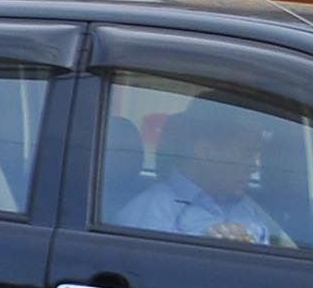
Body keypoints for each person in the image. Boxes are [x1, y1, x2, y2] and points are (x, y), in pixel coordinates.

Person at [120, 104, 290, 247]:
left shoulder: (248, 208)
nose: (253, 167)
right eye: (246, 154)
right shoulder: (151, 213)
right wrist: (206, 249)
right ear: (206, 151)